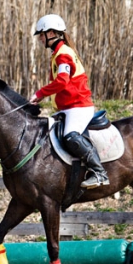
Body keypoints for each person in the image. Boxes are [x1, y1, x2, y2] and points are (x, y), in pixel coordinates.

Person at [28, 14, 109, 188]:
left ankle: (99, 172)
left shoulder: (63, 54)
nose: (40, 39)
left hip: (78, 107)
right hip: (67, 108)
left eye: (41, 35)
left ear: (51, 33)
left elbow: (62, 81)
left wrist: (40, 93)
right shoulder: (58, 53)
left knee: (70, 136)